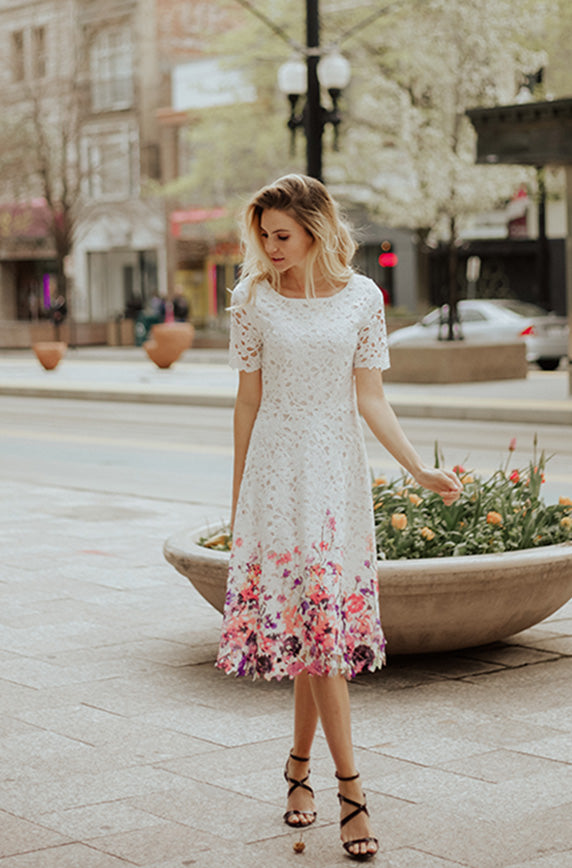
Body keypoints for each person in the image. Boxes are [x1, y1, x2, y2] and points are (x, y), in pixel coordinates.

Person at [216, 175, 462, 861]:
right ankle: (351, 791)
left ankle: (299, 772)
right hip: (277, 471)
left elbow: (372, 399)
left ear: (316, 229)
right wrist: (240, 497)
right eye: (263, 236)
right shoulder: (252, 299)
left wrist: (418, 468)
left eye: (283, 235)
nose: (271, 248)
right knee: (314, 624)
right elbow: (246, 402)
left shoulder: (363, 297)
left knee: (317, 624)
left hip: (336, 470)